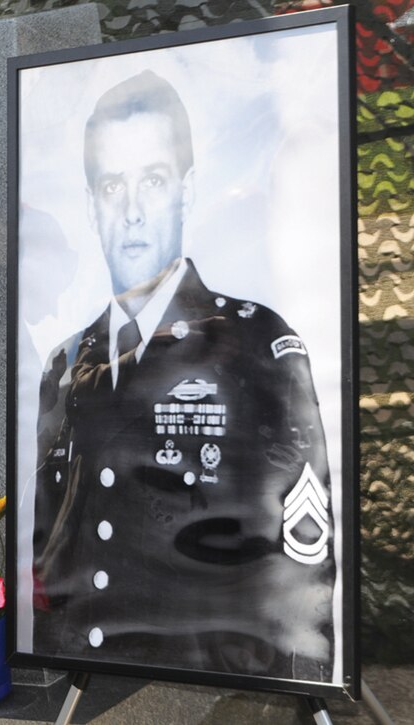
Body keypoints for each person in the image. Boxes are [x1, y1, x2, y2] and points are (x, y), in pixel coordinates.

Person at [30, 71, 336, 682]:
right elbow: (49, 548)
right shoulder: (65, 365)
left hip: (207, 688)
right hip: (86, 680)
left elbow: (302, 564)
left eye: (153, 179)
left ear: (187, 192)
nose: (133, 210)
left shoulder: (254, 344)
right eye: (113, 185)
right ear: (91, 206)